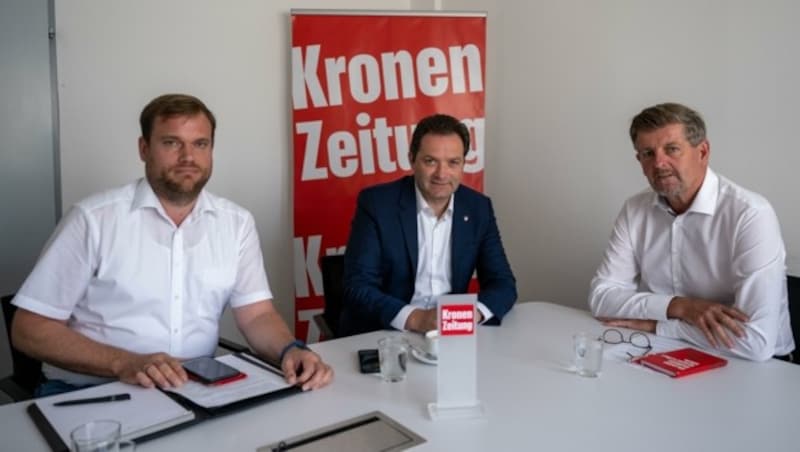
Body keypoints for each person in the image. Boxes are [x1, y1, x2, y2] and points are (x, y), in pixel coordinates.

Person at [11, 94, 333, 395]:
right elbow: (28, 329)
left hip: (193, 391)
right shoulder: (93, 220)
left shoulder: (236, 224)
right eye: (171, 143)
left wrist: (291, 350)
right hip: (92, 394)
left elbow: (257, 315)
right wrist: (126, 362)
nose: (188, 157)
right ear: (143, 148)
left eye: (200, 144)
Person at [589, 102, 794, 362]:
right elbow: (602, 298)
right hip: (667, 352)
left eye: (672, 149)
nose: (659, 163)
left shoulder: (750, 214)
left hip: (757, 367)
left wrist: (659, 325)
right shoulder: (635, 210)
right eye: (648, 153)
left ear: (703, 151)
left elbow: (757, 342)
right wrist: (680, 307)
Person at [340, 113, 517, 336]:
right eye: (430, 161)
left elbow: (503, 283)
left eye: (453, 162)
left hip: (449, 337)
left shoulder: (478, 208)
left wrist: (473, 314)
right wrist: (416, 318)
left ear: (463, 163)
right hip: (387, 332)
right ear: (412, 159)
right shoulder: (377, 204)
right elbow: (357, 286)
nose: (442, 174)